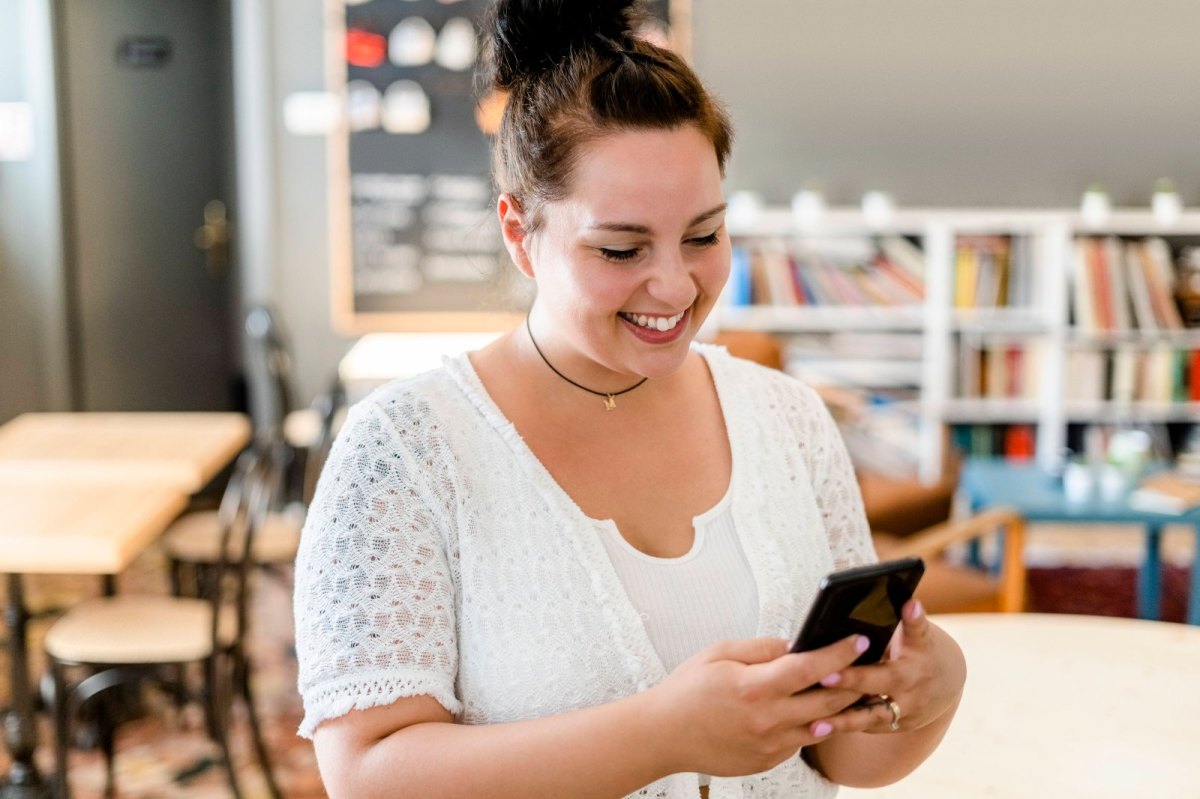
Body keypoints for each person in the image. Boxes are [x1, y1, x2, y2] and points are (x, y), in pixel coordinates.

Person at [293, 1, 966, 796]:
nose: (675, 286)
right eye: (621, 247)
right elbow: (367, 775)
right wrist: (663, 733)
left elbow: (841, 754)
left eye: (705, 235)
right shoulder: (406, 451)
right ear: (520, 233)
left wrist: (934, 690)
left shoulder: (787, 418)